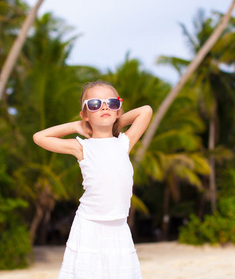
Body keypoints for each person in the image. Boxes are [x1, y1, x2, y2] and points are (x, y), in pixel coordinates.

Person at [33, 80, 152, 279]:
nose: (104, 106)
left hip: (119, 226)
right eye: (95, 104)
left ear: (118, 110)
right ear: (85, 113)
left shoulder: (124, 142)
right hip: (89, 225)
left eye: (111, 103)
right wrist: (76, 125)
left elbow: (146, 111)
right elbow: (39, 137)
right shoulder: (81, 147)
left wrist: (115, 121)